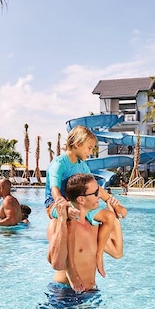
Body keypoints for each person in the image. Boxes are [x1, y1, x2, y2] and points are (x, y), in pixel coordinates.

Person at [44, 125, 127, 286]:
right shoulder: (59, 163)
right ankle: (71, 270)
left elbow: (95, 188)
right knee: (72, 217)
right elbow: (54, 188)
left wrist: (113, 203)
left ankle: (99, 256)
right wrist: (62, 204)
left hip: (76, 204)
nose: (91, 152)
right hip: (57, 204)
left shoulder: (82, 165)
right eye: (89, 148)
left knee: (108, 216)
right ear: (77, 144)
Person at [47, 173, 123, 292]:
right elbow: (57, 264)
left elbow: (117, 253)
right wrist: (62, 220)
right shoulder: (58, 223)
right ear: (81, 199)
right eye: (96, 193)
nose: (100, 196)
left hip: (90, 292)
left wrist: (114, 215)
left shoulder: (94, 226)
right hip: (65, 293)